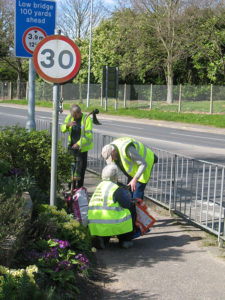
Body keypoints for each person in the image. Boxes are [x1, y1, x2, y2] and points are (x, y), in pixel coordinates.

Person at [88, 164, 136, 249]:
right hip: (111, 223)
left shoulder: (99, 187)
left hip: (95, 224)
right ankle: (125, 240)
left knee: (107, 218)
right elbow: (126, 204)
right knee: (131, 208)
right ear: (115, 177)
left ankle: (102, 239)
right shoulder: (115, 188)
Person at [61, 104, 93, 188]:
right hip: (71, 148)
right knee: (70, 169)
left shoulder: (87, 119)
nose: (74, 117)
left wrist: (78, 143)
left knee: (80, 170)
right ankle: (70, 187)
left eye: (75, 115)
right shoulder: (69, 117)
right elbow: (62, 129)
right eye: (72, 115)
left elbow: (88, 136)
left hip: (81, 149)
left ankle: (79, 189)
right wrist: (67, 126)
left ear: (79, 112)